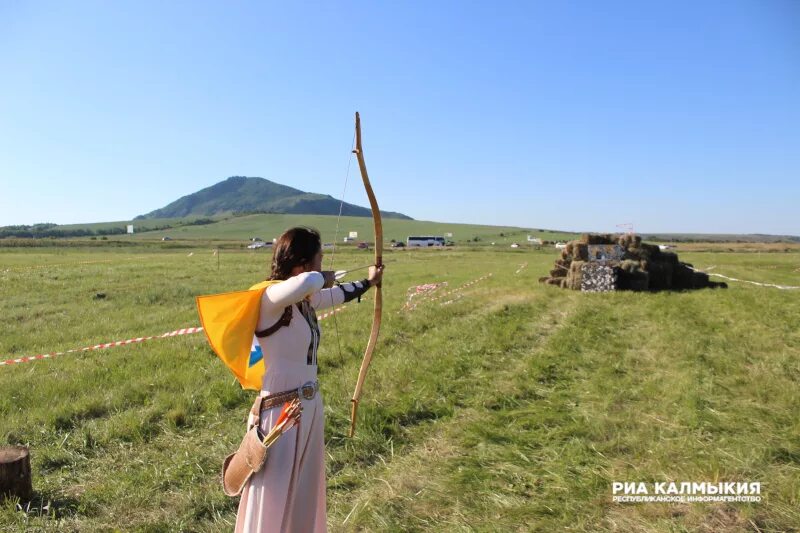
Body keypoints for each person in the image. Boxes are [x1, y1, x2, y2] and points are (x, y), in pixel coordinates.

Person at [235, 226, 384, 533]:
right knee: (275, 489)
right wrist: (320, 277)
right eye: (319, 258)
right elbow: (311, 282)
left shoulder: (303, 302)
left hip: (308, 407)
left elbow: (338, 294)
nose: (322, 264)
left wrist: (369, 282)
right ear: (302, 263)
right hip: (280, 413)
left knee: (303, 488)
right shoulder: (270, 297)